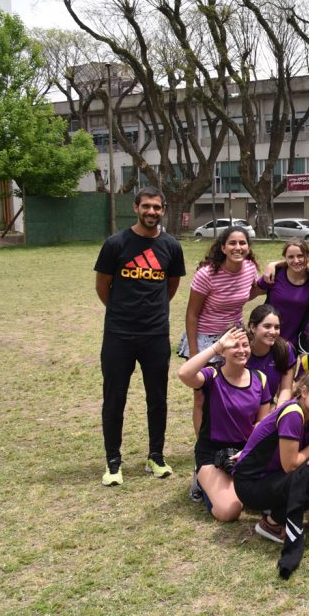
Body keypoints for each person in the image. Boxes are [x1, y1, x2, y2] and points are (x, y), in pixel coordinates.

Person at [94, 187, 186, 486]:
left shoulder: (171, 246)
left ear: (163, 210)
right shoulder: (115, 244)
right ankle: (113, 462)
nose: (151, 212)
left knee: (157, 398)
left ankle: (156, 456)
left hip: (155, 334)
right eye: (146, 206)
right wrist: (123, 312)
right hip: (119, 334)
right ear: (136, 208)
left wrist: (151, 312)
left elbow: (170, 286)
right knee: (114, 398)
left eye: (157, 207)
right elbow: (102, 286)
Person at [233, 370, 309, 579]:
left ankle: (275, 511)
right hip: (250, 485)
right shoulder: (293, 413)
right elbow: (291, 465)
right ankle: (272, 523)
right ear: (304, 391)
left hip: (268, 477)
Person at [178, 326, 273, 521]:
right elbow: (184, 374)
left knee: (269, 498)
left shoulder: (260, 379)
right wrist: (217, 346)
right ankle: (201, 479)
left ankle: (235, 482)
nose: (241, 350)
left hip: (244, 451)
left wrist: (248, 453)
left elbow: (261, 425)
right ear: (223, 351)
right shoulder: (212, 376)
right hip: (213, 453)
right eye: (234, 346)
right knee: (229, 511)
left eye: (245, 345)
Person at [181, 226, 259, 359]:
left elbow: (252, 291)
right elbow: (192, 315)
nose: (238, 247)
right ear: (223, 248)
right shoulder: (206, 275)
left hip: (235, 336)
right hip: (206, 339)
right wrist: (194, 353)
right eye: (232, 243)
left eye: (242, 243)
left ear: (248, 247)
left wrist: (274, 267)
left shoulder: (250, 268)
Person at [254, 239, 309, 347]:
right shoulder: (275, 275)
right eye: (291, 257)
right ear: (285, 258)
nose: (296, 261)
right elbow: (248, 295)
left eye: (300, 256)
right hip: (266, 337)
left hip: (292, 343)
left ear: (308, 256)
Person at [246, 304, 296, 405]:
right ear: (252, 327)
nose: (273, 332)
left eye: (277, 327)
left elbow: (286, 389)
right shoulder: (241, 350)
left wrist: (278, 411)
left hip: (268, 406)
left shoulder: (285, 349)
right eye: (267, 326)